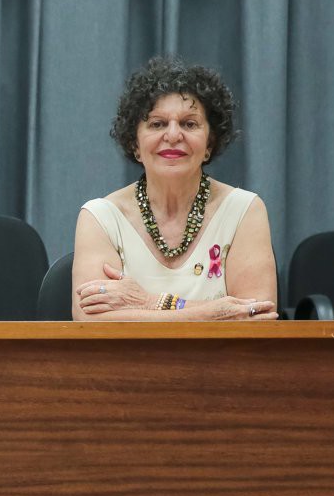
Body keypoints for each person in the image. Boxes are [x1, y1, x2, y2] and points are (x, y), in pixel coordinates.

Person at [72, 56, 278, 321]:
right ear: (135, 144)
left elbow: (256, 318)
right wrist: (210, 314)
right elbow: (90, 321)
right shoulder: (100, 217)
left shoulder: (244, 210)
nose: (172, 136)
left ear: (209, 144)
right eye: (157, 124)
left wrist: (148, 303)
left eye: (189, 124)